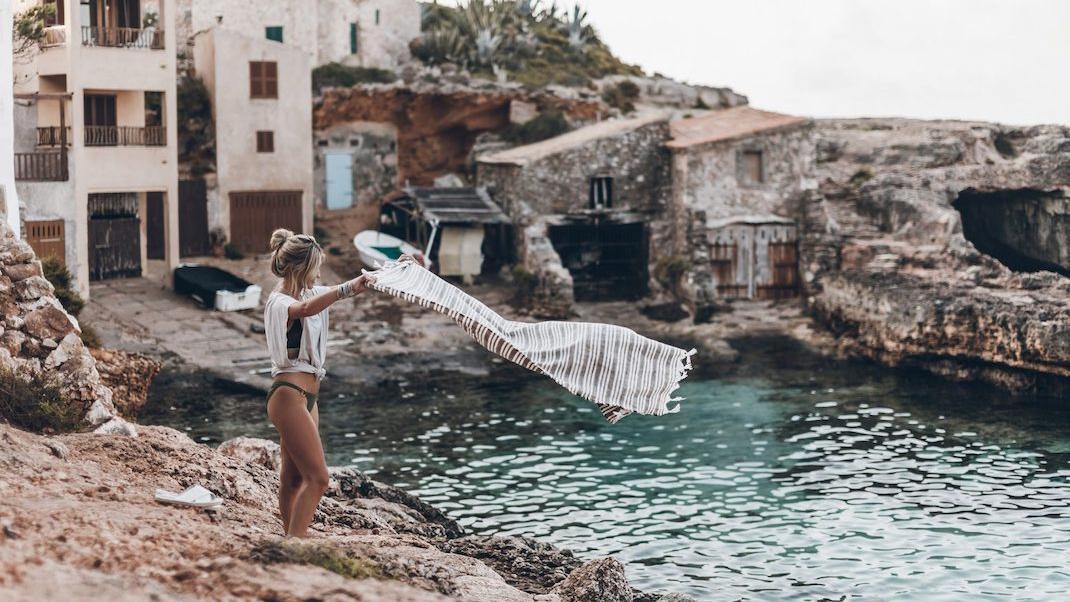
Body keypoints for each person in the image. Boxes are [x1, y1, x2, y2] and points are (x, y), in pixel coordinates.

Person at [263, 228, 376, 537]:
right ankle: (296, 546)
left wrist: (389, 274)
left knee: (294, 479)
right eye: (315, 268)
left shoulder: (310, 293)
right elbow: (304, 311)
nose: (319, 274)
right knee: (320, 478)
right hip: (288, 396)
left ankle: (290, 535)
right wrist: (348, 289)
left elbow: (324, 295)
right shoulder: (279, 302)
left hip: (306, 398)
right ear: (301, 269)